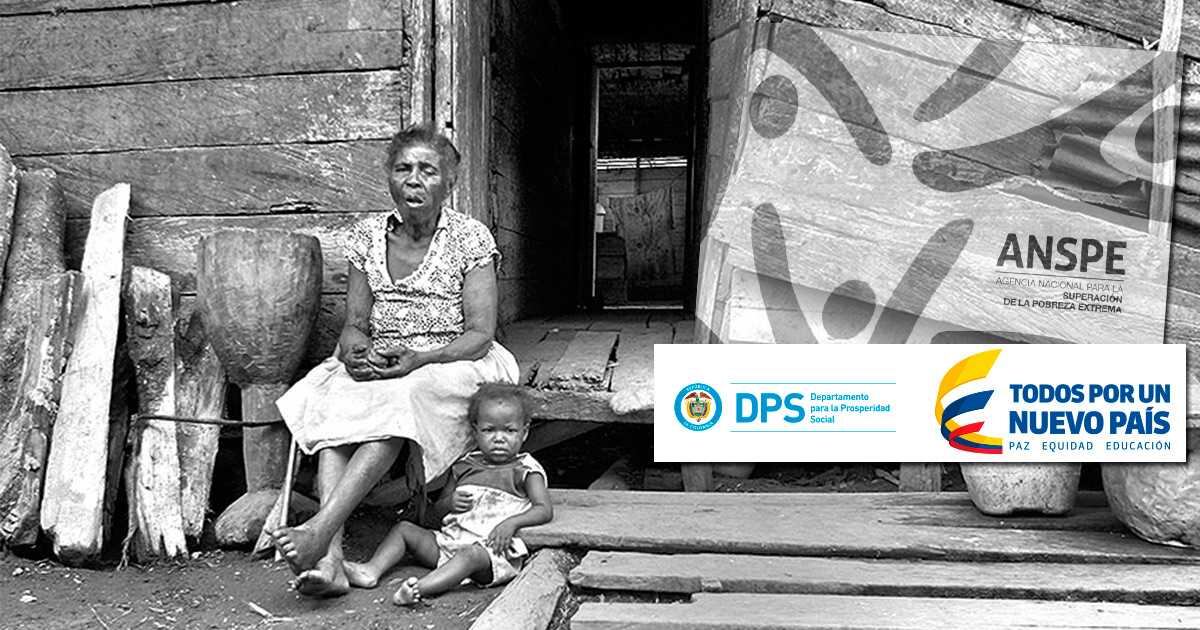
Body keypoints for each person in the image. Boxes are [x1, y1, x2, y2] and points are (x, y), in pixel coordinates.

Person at [270, 125, 519, 597]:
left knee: (401, 399)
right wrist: (355, 351)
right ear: (389, 177)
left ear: (449, 182)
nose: (414, 180)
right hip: (388, 357)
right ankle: (332, 562)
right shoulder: (366, 237)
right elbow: (354, 323)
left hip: (452, 357)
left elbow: (480, 335)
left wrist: (420, 359)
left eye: (428, 170)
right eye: (403, 169)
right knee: (338, 399)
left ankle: (320, 532)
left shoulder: (470, 238)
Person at [342, 382, 553, 605]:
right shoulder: (464, 466)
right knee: (404, 529)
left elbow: (543, 509)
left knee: (470, 555)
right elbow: (437, 513)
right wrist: (449, 503)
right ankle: (371, 571)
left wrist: (511, 524)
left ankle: (419, 589)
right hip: (449, 543)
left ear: (524, 432)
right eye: (489, 430)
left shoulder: (525, 470)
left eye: (509, 430)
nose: (499, 438)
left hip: (491, 552)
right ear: (475, 431)